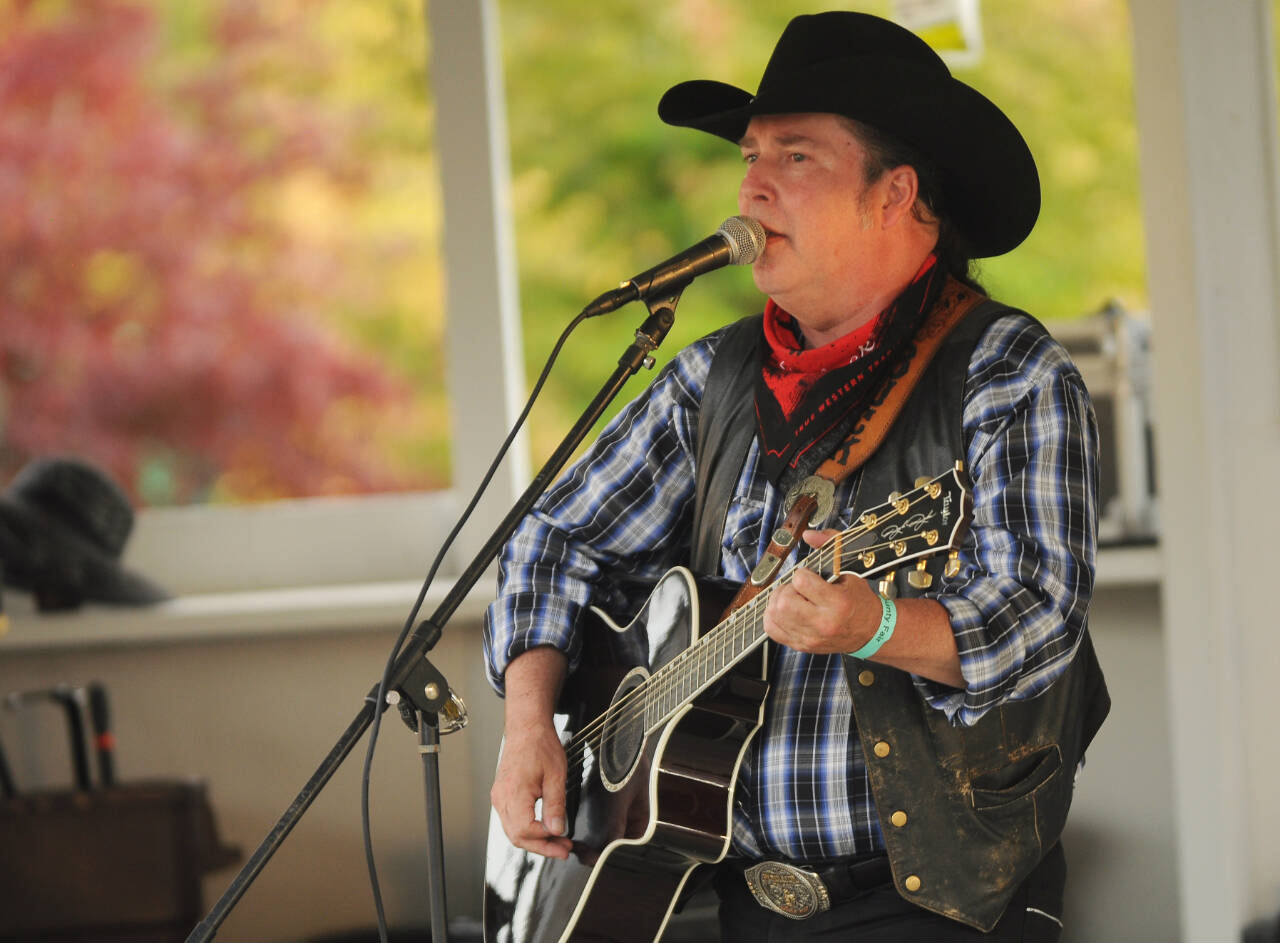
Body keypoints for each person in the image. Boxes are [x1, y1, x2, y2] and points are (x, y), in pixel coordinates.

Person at [484, 10, 1108, 942]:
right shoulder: (711, 376)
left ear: (895, 195)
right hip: (738, 900)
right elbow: (552, 536)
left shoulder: (1008, 372)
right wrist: (530, 722)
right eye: (750, 157)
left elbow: (1039, 611)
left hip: (943, 905)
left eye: (797, 158)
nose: (752, 188)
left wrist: (879, 623)